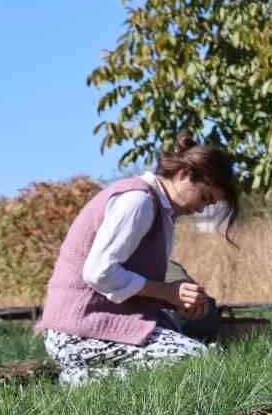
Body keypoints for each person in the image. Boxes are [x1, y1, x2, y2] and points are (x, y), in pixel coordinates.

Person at [35, 135, 238, 385]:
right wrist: (165, 292)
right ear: (185, 173)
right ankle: (80, 379)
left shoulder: (157, 207)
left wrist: (176, 299)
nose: (201, 209)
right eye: (205, 198)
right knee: (197, 363)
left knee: (199, 360)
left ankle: (85, 376)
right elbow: (99, 273)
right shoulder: (138, 201)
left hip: (95, 325)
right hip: (76, 333)